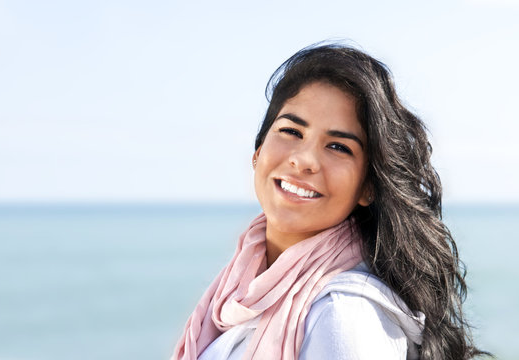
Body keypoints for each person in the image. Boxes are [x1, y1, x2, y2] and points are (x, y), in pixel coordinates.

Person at [172, 43, 485, 360]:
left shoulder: (344, 316)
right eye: (292, 131)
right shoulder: (237, 289)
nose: (304, 160)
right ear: (258, 151)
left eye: (338, 147)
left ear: (368, 188)